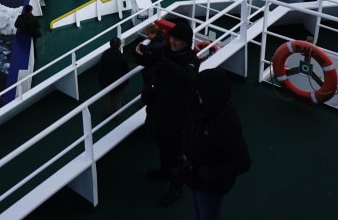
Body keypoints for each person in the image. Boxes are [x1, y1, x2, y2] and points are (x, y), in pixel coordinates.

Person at [135, 18, 200, 206]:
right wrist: (139, 54)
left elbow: (187, 77)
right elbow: (149, 60)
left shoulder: (191, 60)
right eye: (173, 37)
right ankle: (164, 171)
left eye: (179, 40)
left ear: (187, 42)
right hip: (160, 111)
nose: (174, 42)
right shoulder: (166, 51)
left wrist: (162, 58)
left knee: (175, 154)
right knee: (162, 147)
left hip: (177, 117)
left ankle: (176, 186)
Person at [175, 68, 251, 220]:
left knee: (207, 214)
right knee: (199, 209)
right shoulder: (204, 110)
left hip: (210, 186)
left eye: (201, 93)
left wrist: (210, 174)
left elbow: (243, 162)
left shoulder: (226, 125)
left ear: (211, 95)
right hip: (196, 177)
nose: (198, 96)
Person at [98, 37, 130, 118]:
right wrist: (126, 81)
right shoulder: (122, 57)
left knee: (107, 98)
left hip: (106, 81)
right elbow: (126, 70)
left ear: (110, 44)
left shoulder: (105, 54)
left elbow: (101, 68)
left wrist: (100, 79)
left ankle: (107, 113)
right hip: (118, 83)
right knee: (117, 98)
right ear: (119, 45)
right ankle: (117, 114)